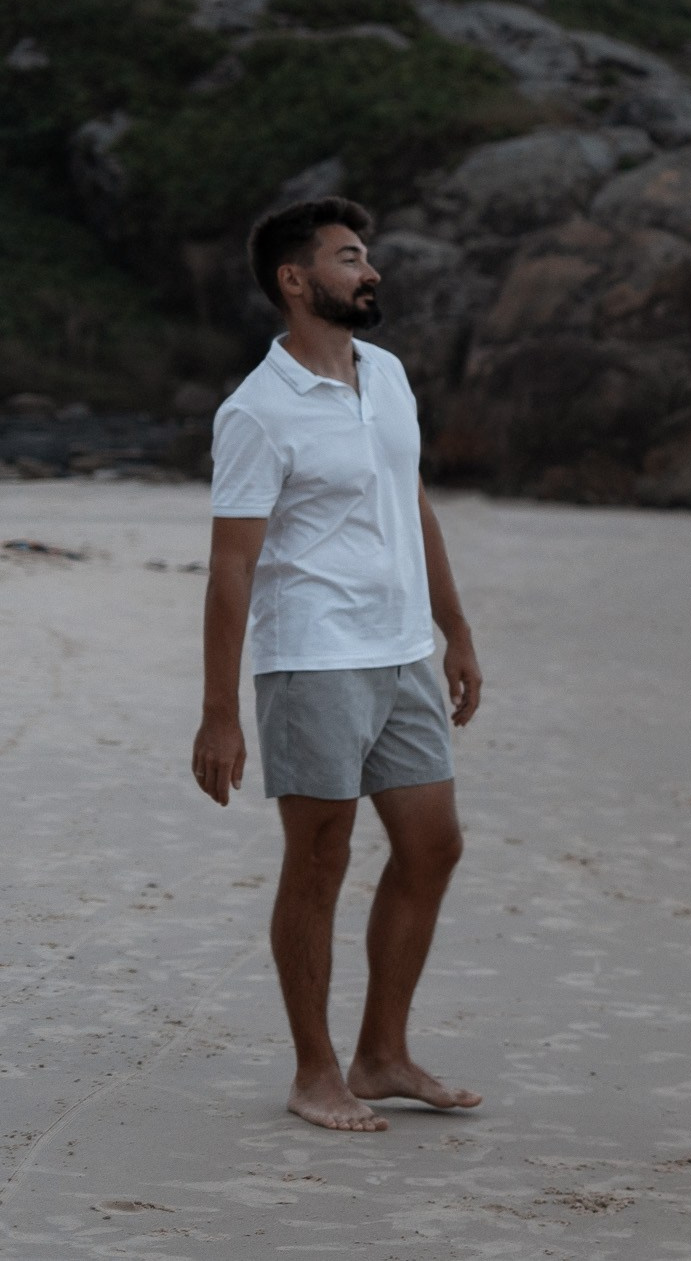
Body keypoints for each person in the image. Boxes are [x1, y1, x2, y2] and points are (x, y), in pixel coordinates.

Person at [191, 197, 484, 1133]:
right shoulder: (257, 410)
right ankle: (315, 1070)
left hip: (402, 652)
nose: (371, 271)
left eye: (367, 255)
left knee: (433, 844)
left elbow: (417, 504)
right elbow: (232, 564)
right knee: (318, 859)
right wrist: (219, 713)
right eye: (350, 257)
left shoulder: (387, 373)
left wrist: (456, 630)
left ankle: (382, 1054)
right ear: (295, 279)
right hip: (312, 657)